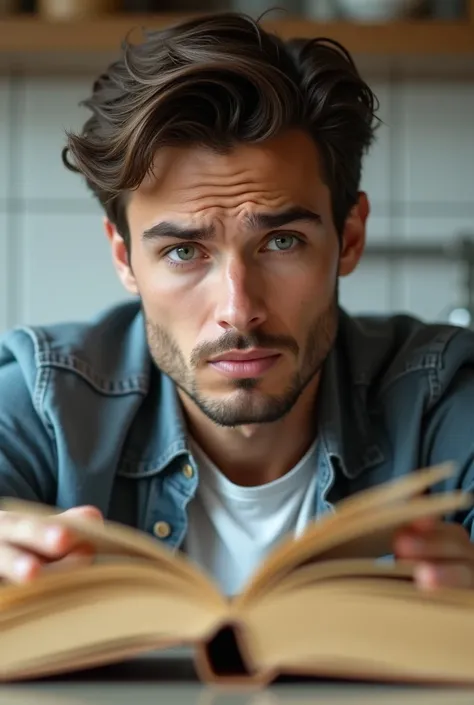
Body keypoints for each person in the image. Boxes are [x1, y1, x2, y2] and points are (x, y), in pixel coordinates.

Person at [0, 12, 473, 597]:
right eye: (182, 251)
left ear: (349, 237)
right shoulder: (42, 407)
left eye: (281, 242)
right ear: (124, 259)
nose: (238, 309)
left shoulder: (444, 398)